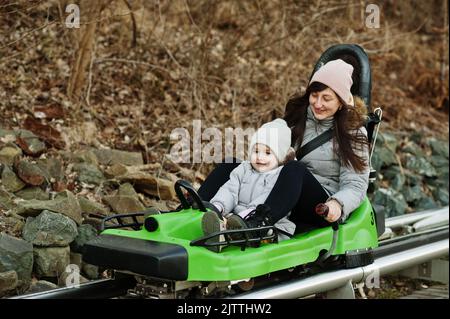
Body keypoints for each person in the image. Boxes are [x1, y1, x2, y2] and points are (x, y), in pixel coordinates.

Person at [198, 58, 370, 248]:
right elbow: (270, 150)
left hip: (319, 206)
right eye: (314, 95)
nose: (318, 103)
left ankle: (259, 224)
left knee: (294, 169)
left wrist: (337, 205)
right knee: (231, 165)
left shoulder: (353, 133)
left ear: (341, 101)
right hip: (278, 192)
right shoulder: (299, 117)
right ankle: (194, 212)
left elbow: (355, 185)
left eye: (326, 98)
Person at [201, 118, 296, 252]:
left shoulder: (281, 175)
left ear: (280, 156)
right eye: (256, 151)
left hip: (264, 222)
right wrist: (219, 206)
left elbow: (266, 199)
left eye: (268, 153)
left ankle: (238, 234)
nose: (259, 157)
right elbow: (230, 189)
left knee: (263, 230)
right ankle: (220, 236)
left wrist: (247, 216)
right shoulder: (244, 168)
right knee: (224, 220)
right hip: (237, 218)